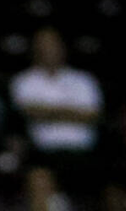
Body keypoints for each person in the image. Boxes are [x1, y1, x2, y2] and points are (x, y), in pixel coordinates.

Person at [11, 30, 103, 163]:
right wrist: (74, 113)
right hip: (42, 154)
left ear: (63, 47)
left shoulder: (84, 80)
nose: (48, 49)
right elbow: (29, 112)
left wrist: (48, 113)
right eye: (43, 45)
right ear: (35, 48)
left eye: (53, 44)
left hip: (83, 153)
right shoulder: (23, 80)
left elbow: (93, 115)